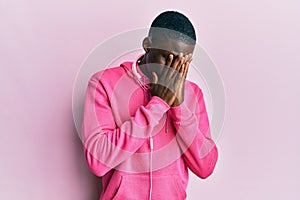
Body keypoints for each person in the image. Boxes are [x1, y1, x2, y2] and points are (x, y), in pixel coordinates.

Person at [82, 10, 219, 200]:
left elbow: (206, 167)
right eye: (166, 57)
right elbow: (98, 160)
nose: (172, 70)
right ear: (147, 46)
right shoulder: (104, 83)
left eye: (181, 62)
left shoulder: (193, 94)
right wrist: (159, 104)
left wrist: (179, 107)